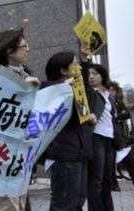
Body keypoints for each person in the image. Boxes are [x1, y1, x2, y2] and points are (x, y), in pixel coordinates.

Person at [0, 27, 39, 211]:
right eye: (24, 46)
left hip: (23, 147)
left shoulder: (25, 74)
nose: (28, 49)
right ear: (9, 51)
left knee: (20, 202)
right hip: (3, 147)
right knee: (8, 203)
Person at [42, 48, 99, 211]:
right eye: (75, 64)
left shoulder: (77, 87)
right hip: (65, 155)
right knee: (64, 204)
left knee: (77, 202)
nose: (79, 67)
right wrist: (63, 85)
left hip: (80, 153)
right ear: (63, 70)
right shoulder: (52, 90)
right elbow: (45, 90)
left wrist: (90, 117)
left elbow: (83, 108)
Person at [87, 63, 122, 211]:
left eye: (94, 73)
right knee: (96, 180)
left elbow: (113, 119)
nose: (91, 76)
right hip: (96, 139)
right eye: (89, 74)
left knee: (108, 179)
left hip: (109, 140)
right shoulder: (90, 94)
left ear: (102, 76)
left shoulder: (108, 96)